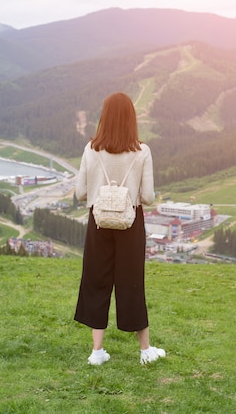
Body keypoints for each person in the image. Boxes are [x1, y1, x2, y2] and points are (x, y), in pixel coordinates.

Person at [74, 92, 165, 366]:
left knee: (96, 281)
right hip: (130, 222)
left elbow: (80, 192)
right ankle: (145, 350)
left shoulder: (91, 149)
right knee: (132, 283)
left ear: (105, 117)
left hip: (98, 221)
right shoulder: (142, 151)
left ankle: (97, 352)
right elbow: (147, 197)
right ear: (130, 119)